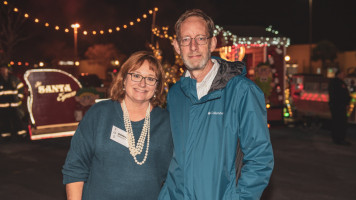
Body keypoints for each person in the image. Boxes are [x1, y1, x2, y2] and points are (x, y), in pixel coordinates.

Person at [158, 9, 274, 200]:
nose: (193, 46)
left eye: (200, 38)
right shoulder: (175, 95)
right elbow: (174, 156)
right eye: (186, 39)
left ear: (212, 42)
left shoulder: (241, 91)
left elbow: (259, 158)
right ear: (177, 46)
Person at [62, 51, 173, 200]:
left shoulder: (166, 123)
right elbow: (75, 166)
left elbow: (174, 177)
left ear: (157, 86)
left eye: (150, 78)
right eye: (136, 75)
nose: (142, 83)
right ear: (123, 79)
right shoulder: (99, 114)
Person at [0, 64, 27, 140]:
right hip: (3, 106)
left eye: (4, 69)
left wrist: (19, 97)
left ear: (8, 70)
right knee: (4, 121)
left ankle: (21, 134)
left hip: (14, 105)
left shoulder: (14, 79)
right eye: (1, 69)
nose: (3, 71)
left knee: (17, 120)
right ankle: (6, 136)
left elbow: (21, 87)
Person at [328, 70, 351, 145]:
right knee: (338, 123)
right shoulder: (335, 83)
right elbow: (337, 95)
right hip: (337, 106)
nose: (344, 75)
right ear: (338, 74)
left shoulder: (341, 82)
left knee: (341, 122)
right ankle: (338, 139)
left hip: (341, 105)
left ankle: (339, 138)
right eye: (343, 73)